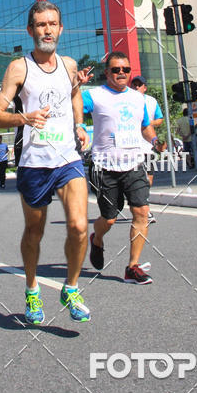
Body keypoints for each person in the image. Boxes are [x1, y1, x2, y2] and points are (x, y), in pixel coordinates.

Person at [0, 0, 90, 325]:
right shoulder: (19, 68)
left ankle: (71, 288)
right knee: (35, 231)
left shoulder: (70, 65)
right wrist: (24, 118)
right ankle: (32, 288)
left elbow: (74, 93)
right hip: (34, 161)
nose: (47, 30)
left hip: (67, 158)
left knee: (78, 226)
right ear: (31, 30)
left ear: (61, 28)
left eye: (52, 24)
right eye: (41, 25)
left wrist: (79, 125)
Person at [85, 53, 157, 284]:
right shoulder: (94, 96)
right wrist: (76, 86)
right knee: (109, 219)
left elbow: (145, 127)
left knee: (141, 212)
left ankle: (132, 267)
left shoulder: (138, 99)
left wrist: (156, 142)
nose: (122, 73)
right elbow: (72, 106)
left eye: (126, 69)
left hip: (134, 163)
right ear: (107, 73)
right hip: (104, 165)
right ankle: (96, 239)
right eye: (116, 69)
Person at [131, 75, 163, 224]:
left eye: (139, 85)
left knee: (148, 178)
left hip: (148, 146)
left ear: (145, 87)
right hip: (131, 146)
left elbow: (160, 119)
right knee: (138, 178)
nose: (136, 87)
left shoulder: (151, 101)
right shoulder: (126, 100)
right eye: (134, 85)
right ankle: (144, 209)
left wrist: (147, 123)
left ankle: (142, 203)